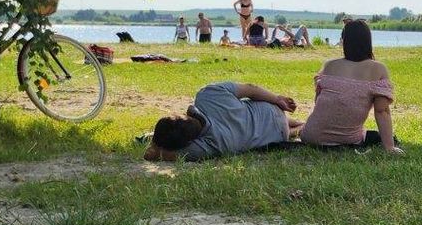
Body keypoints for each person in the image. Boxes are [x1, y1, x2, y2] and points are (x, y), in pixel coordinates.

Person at [300, 19, 402, 154]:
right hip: (348, 139)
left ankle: (295, 127)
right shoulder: (378, 69)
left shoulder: (329, 65)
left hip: (310, 136)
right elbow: (381, 111)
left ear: (344, 40)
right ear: (368, 41)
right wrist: (389, 147)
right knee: (371, 135)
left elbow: (318, 102)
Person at [143, 81, 303, 161]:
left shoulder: (210, 145)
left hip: (279, 134)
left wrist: (155, 147)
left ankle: (297, 128)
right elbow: (250, 88)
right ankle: (295, 123)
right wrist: (277, 99)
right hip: (270, 108)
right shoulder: (208, 95)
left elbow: (161, 154)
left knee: (286, 130)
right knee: (250, 114)